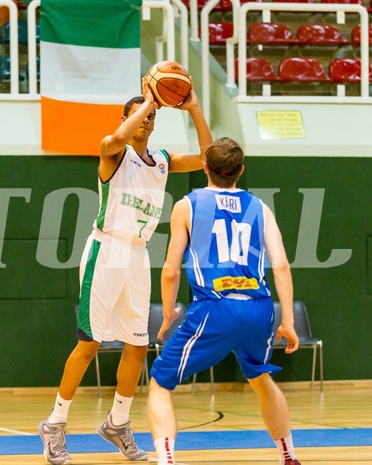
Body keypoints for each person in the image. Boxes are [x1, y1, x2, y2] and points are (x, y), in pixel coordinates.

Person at [38, 77, 213, 465]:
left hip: (137, 255)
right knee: (90, 344)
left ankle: (117, 422)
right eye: (137, 115)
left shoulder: (163, 161)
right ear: (128, 118)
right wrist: (148, 103)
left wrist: (195, 109)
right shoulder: (114, 153)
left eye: (151, 116)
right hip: (106, 249)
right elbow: (111, 142)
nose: (146, 121)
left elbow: (208, 158)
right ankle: (55, 423)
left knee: (137, 346)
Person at [147, 137, 302, 465]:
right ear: (240, 171)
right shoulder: (260, 207)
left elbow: (171, 271)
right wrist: (287, 320)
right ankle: (288, 455)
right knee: (261, 378)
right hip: (259, 307)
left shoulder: (187, 205)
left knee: (160, 381)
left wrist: (169, 311)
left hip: (214, 307)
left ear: (205, 168)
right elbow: (282, 265)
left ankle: (167, 460)